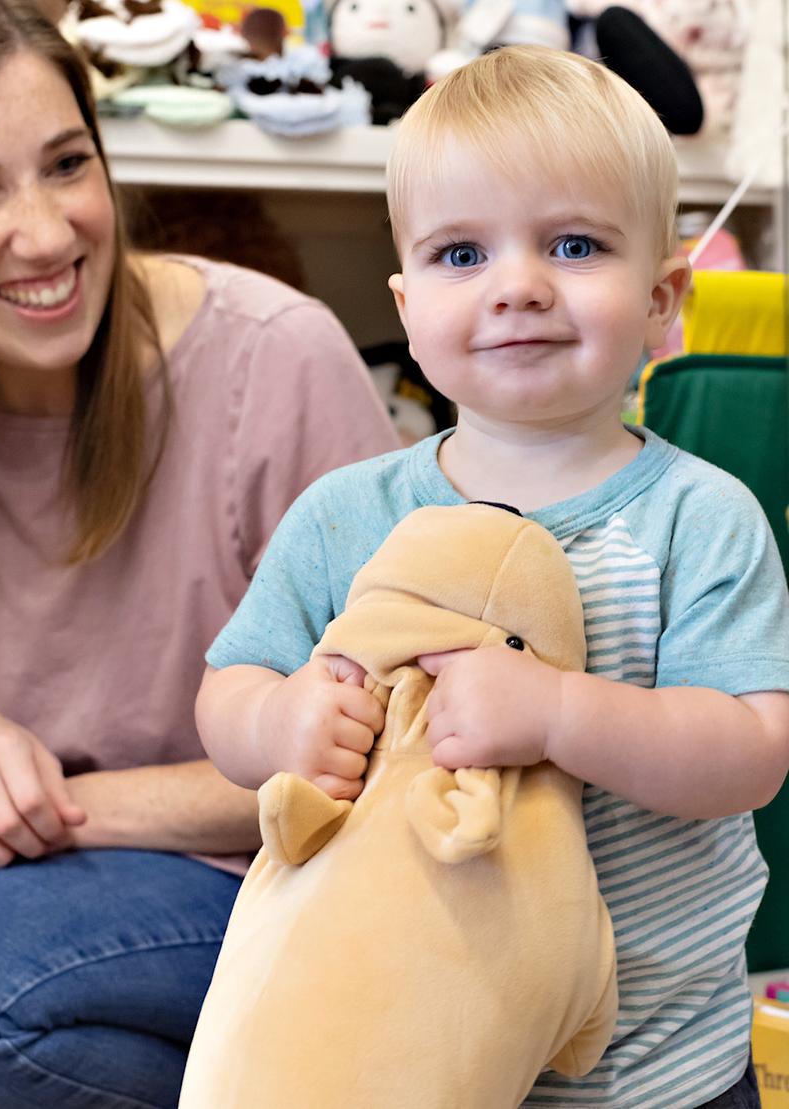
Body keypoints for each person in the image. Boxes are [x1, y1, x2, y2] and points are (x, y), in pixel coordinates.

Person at [196, 45, 789, 1109]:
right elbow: (228, 688)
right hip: (420, 1038)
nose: (517, 286)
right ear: (406, 301)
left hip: (661, 1067)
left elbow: (748, 751)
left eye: (572, 244)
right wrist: (281, 721)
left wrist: (560, 711)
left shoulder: (698, 517)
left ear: (663, 297)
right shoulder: (346, 514)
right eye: (461, 253)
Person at [0, 2, 400, 1107]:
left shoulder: (272, 359)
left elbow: (398, 747)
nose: (49, 233)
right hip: (41, 906)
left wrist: (58, 807)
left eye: (67, 165)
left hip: (284, 886)